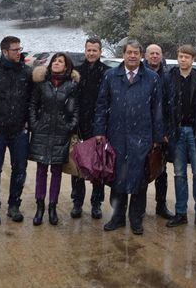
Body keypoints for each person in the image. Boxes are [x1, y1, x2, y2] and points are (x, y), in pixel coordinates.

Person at [94, 39, 163, 235]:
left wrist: (157, 137)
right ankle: (117, 217)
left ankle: (136, 218)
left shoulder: (151, 78)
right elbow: (101, 105)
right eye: (129, 52)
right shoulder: (110, 76)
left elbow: (157, 109)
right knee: (118, 178)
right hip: (116, 135)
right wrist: (99, 131)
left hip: (142, 136)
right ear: (123, 54)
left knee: (140, 179)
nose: (132, 56)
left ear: (141, 55)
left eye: (136, 53)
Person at [0, 35, 32, 225]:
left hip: (19, 130)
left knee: (20, 168)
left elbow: (32, 100)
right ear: (4, 51)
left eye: (20, 49)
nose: (19, 52)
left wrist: (28, 121)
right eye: (15, 50)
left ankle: (14, 205)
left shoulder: (26, 72)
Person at [164, 44, 196, 231]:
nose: (183, 59)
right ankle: (180, 213)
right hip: (177, 132)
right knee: (179, 174)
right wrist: (166, 131)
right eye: (181, 56)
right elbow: (164, 107)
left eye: (187, 57)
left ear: (193, 59)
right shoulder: (169, 78)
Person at [29, 52, 79, 226]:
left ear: (66, 67)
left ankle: (52, 207)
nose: (57, 63)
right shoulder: (42, 84)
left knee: (56, 172)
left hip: (60, 134)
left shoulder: (71, 86)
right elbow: (33, 105)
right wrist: (35, 124)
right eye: (55, 61)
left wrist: (68, 127)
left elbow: (74, 111)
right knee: (41, 171)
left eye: (61, 61)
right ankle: (39, 207)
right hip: (41, 132)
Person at [70, 37, 107, 220]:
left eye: (95, 50)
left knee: (97, 167)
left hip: (99, 126)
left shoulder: (107, 73)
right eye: (89, 50)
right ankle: (77, 202)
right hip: (78, 125)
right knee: (78, 166)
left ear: (100, 52)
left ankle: (96, 203)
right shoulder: (76, 71)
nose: (91, 53)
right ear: (85, 51)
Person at [143, 43, 174, 220]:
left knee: (161, 170)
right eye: (152, 53)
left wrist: (167, 130)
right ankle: (139, 207)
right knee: (143, 169)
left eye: (158, 53)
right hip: (143, 129)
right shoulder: (140, 73)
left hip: (162, 130)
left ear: (161, 56)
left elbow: (171, 105)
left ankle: (161, 205)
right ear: (146, 56)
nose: (155, 56)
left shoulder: (168, 75)